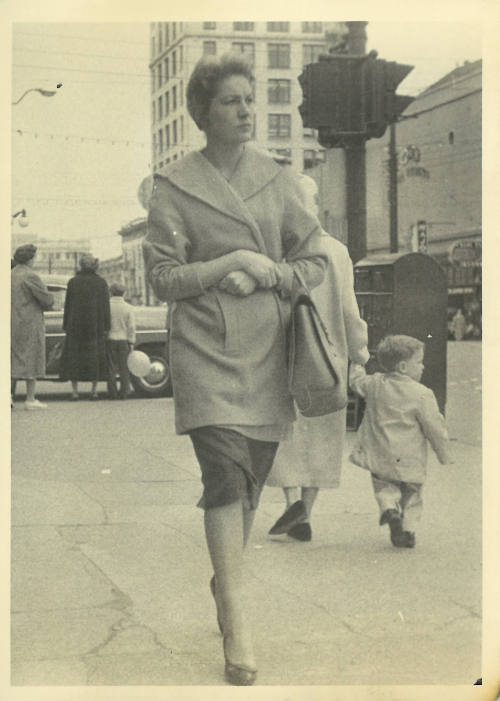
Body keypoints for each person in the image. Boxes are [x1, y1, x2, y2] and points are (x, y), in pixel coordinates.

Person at [142, 53, 326, 686]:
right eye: (231, 101)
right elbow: (163, 279)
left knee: (247, 483)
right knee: (224, 473)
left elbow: (315, 260)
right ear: (203, 111)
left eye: (250, 99)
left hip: (267, 351)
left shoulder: (278, 181)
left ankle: (224, 587)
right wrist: (227, 264)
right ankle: (239, 618)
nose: (247, 110)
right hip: (203, 350)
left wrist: (271, 271)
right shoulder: (173, 185)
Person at [266, 174, 369, 541]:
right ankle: (305, 512)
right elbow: (348, 310)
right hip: (329, 358)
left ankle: (292, 501)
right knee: (324, 436)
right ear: (314, 205)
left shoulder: (274, 250)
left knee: (286, 434)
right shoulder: (336, 251)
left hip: (283, 357)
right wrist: (360, 353)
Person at [349, 334, 452, 549]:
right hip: (410, 458)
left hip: (381, 454)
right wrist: (444, 454)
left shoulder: (375, 384)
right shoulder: (423, 394)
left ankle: (389, 508)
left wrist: (357, 361)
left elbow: (356, 382)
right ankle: (408, 531)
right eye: (419, 362)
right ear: (404, 367)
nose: (422, 367)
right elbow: (435, 427)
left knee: (384, 486)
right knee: (412, 494)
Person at [60, 254, 110, 400]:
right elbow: (105, 306)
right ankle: (93, 391)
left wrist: (66, 325)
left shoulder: (73, 282)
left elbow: (68, 306)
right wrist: (107, 326)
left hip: (75, 327)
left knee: (74, 358)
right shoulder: (101, 283)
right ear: (94, 266)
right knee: (95, 358)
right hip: (95, 327)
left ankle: (75, 392)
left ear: (81, 266)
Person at [11, 244, 54, 409]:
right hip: (29, 323)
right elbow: (47, 300)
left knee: (12, 359)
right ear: (29, 259)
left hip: (11, 323)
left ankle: (8, 396)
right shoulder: (31, 276)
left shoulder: (10, 275)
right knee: (32, 358)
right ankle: (30, 399)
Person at [106, 282, 136, 399]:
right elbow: (131, 327)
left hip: (110, 338)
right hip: (123, 340)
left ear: (111, 292)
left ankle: (112, 393)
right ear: (123, 293)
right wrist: (131, 341)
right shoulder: (128, 308)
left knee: (111, 367)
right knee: (124, 367)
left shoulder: (107, 306)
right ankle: (124, 392)